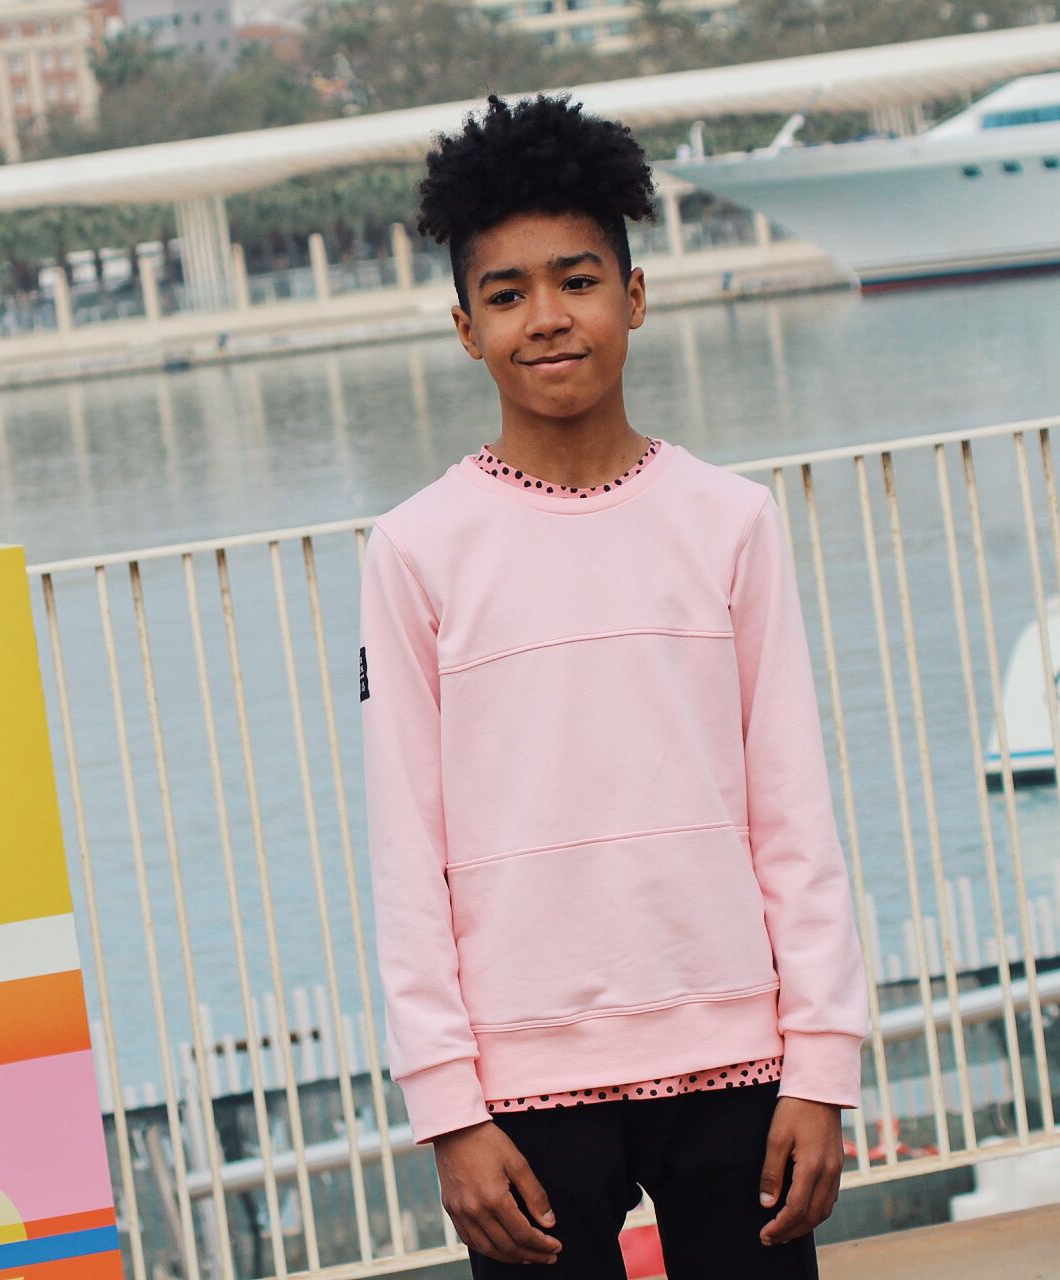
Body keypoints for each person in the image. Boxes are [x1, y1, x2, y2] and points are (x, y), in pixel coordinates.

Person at [357, 91, 870, 1278]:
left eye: (577, 279)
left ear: (633, 297)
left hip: (737, 1057)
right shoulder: (417, 548)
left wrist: (818, 1061)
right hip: (520, 1084)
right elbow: (404, 849)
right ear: (463, 326)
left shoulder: (728, 523)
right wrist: (447, 1107)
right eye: (506, 292)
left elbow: (794, 816)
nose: (546, 317)